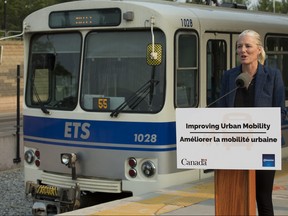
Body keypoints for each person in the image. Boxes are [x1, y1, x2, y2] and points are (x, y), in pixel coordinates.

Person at [218, 29, 286, 216]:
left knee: (263, 199)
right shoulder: (229, 77)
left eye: (248, 46)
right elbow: (221, 111)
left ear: (258, 50)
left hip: (263, 147)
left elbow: (280, 111)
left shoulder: (272, 76)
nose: (243, 50)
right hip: (233, 147)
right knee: (236, 196)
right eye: (239, 46)